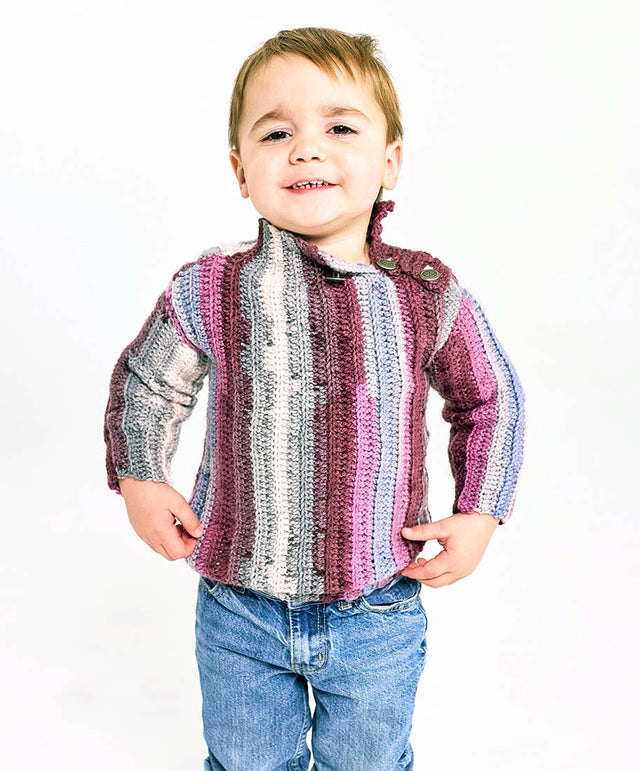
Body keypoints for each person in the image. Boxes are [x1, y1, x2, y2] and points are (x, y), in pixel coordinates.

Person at [104, 26, 525, 771]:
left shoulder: (427, 293)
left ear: (389, 160)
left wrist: (481, 509)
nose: (305, 150)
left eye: (339, 128)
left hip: (378, 606)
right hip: (238, 605)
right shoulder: (211, 287)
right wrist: (140, 476)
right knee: (244, 761)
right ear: (241, 169)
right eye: (276, 132)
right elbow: (148, 382)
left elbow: (489, 399)